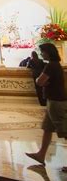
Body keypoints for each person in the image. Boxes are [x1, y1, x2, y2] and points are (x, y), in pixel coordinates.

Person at [26, 43, 67, 171]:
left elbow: (40, 81)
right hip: (53, 101)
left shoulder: (50, 66)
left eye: (42, 51)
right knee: (47, 128)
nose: (41, 54)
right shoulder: (55, 65)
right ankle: (41, 155)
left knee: (65, 131)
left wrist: (40, 80)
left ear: (48, 52)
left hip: (56, 102)